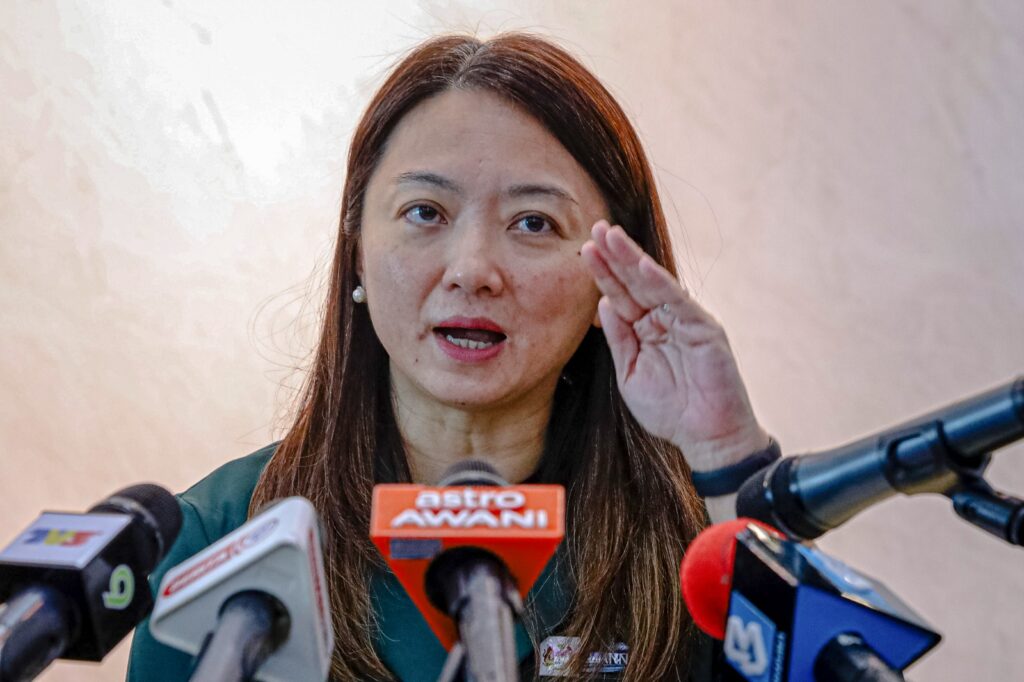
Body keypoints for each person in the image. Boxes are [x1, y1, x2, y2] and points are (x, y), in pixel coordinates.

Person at [127, 32, 774, 681]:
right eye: (425, 212)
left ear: (612, 271)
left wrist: (728, 457)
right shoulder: (219, 543)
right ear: (357, 250)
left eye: (533, 222)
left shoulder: (702, 543)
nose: (472, 270)